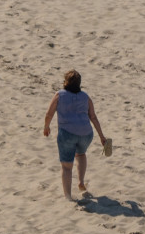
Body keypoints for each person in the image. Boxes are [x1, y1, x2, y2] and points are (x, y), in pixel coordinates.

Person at [42, 69, 109, 201]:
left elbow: (49, 114)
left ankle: (68, 197)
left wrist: (46, 126)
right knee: (81, 154)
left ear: (65, 82)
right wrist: (101, 136)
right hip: (86, 134)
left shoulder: (59, 95)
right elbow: (93, 117)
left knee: (67, 166)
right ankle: (81, 182)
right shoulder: (85, 97)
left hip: (67, 133)